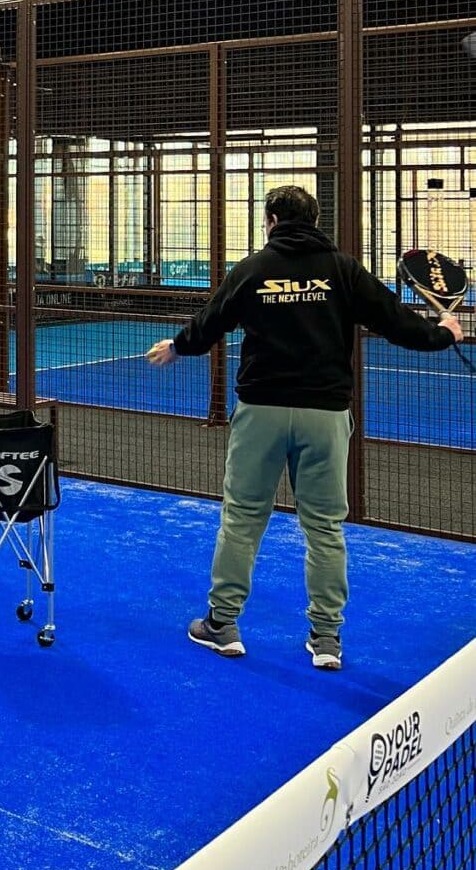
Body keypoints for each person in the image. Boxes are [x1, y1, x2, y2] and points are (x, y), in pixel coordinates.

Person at [146, 185, 461, 670]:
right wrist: (443, 334)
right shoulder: (343, 270)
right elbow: (397, 322)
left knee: (242, 519)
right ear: (314, 221)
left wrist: (177, 346)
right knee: (325, 528)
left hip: (261, 413)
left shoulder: (252, 269)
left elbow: (210, 323)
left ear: (271, 220)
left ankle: (222, 625)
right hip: (325, 417)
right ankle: (326, 638)